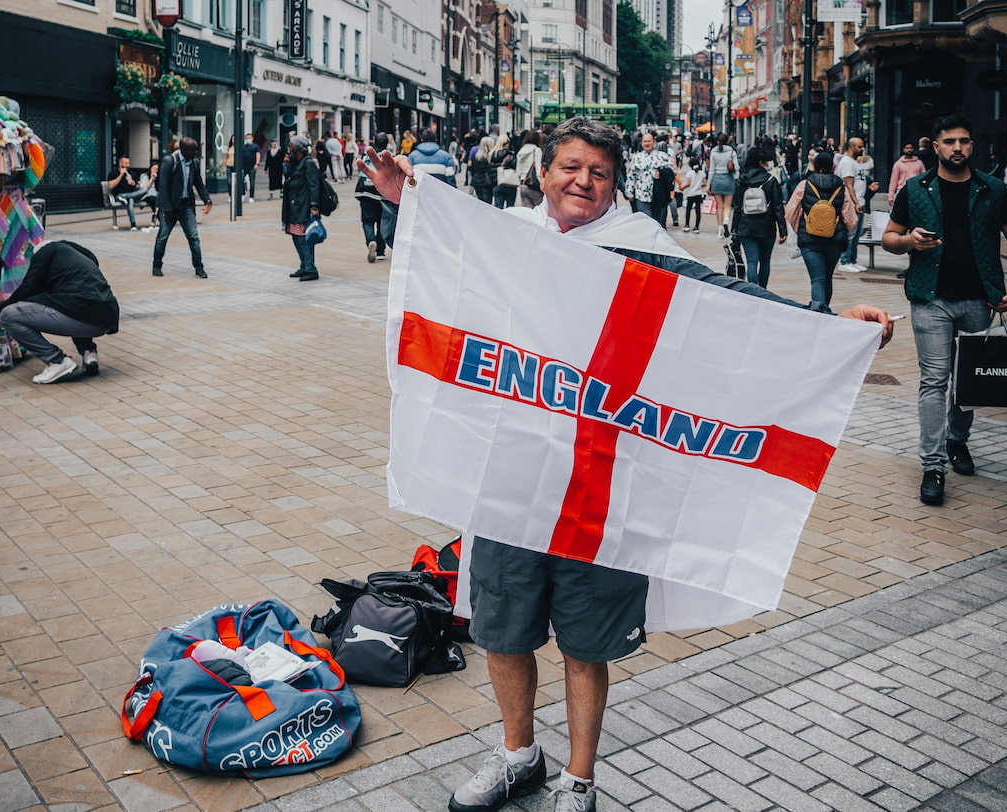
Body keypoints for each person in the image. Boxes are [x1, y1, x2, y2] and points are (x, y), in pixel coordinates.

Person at [359, 116, 891, 812]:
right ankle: (519, 755)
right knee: (502, 631)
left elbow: (729, 305)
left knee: (587, 644)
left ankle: (579, 779)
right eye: (569, 167)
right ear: (542, 173)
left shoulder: (647, 251)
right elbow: (451, 250)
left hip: (603, 489)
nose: (582, 181)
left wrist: (829, 330)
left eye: (599, 172)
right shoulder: (512, 241)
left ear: (615, 184)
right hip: (512, 481)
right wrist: (411, 199)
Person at [881, 114, 1007, 506]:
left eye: (964, 141)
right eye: (949, 141)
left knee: (967, 383)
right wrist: (910, 241)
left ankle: (957, 441)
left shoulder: (992, 189)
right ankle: (933, 466)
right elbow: (888, 239)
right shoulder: (915, 189)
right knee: (935, 380)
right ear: (935, 146)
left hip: (980, 301)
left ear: (972, 146)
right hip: (931, 300)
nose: (958, 148)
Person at [0, 240, 119, 385]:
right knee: (70, 302)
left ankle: (57, 360)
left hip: (82, 315)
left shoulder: (45, 253)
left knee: (9, 316)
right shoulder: (76, 256)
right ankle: (89, 353)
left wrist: (0, 307)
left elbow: (28, 288)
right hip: (106, 317)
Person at [785, 150, 857, 307]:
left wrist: (801, 228)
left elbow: (790, 212)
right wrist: (843, 231)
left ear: (815, 166)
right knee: (827, 278)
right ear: (832, 166)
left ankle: (819, 313)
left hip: (810, 240)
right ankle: (825, 313)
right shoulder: (841, 186)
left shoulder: (805, 184)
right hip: (834, 241)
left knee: (817, 279)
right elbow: (850, 217)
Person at [152, 137, 213, 278]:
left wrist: (207, 199)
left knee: (194, 238)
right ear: (183, 150)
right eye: (193, 150)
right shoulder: (169, 161)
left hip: (186, 206)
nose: (196, 152)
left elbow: (198, 183)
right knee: (162, 237)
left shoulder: (194, 163)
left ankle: (199, 268)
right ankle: (156, 265)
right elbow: (163, 187)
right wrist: (166, 210)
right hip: (170, 206)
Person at [731, 146, 787, 288]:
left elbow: (736, 208)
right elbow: (778, 207)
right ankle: (763, 291)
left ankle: (752, 291)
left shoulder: (741, 181)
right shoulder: (770, 180)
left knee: (751, 261)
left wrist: (734, 230)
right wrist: (782, 230)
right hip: (766, 226)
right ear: (761, 162)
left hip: (745, 226)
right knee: (765, 261)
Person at [283, 134, 322, 282]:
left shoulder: (308, 163)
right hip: (294, 206)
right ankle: (304, 266)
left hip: (303, 206)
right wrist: (286, 164)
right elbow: (287, 177)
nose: (289, 149)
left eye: (291, 146)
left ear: (298, 148)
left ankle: (311, 269)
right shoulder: (295, 162)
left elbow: (314, 185)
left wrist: (314, 206)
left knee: (304, 239)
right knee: (295, 236)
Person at [837, 137, 879, 273]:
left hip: (859, 202)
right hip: (852, 204)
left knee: (856, 235)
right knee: (850, 233)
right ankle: (845, 261)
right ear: (852, 147)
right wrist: (856, 203)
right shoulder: (847, 163)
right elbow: (849, 186)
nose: (862, 149)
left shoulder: (854, 162)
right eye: (860, 147)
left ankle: (852, 260)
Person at [356, 132, 391, 262]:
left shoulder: (366, 155)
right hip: (382, 193)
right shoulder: (389, 157)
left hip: (365, 190)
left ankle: (371, 240)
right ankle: (380, 251)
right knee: (382, 221)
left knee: (367, 220)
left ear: (374, 142)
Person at [623, 131, 671, 220]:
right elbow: (631, 176)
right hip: (641, 195)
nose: (647, 143)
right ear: (642, 143)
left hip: (658, 195)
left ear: (654, 142)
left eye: (649, 141)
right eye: (645, 141)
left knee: (657, 222)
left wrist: (662, 174)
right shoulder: (637, 158)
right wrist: (629, 192)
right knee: (645, 221)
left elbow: (672, 173)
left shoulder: (663, 157)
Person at [707, 136, 739, 238]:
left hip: (717, 179)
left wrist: (708, 185)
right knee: (727, 206)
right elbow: (737, 167)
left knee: (719, 207)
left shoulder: (714, 152)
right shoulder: (731, 152)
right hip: (729, 179)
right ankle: (726, 220)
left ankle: (720, 230)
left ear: (717, 141)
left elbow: (711, 170)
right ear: (728, 141)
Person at [106, 156, 148, 231]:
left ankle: (127, 197)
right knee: (130, 199)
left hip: (130, 195)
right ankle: (133, 224)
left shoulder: (131, 173)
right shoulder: (113, 173)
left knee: (144, 190)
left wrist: (134, 184)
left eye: (128, 163)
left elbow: (137, 187)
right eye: (126, 163)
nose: (128, 165)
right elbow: (111, 186)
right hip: (119, 195)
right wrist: (121, 175)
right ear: (120, 163)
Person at [887, 142, 925, 206]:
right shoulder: (898, 164)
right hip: (902, 191)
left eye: (911, 148)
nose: (909, 150)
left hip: (917, 192)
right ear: (903, 149)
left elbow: (924, 177)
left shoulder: (919, 163)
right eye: (907, 148)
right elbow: (894, 181)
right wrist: (891, 196)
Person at [516, 129, 545, 209]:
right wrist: (542, 185)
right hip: (534, 184)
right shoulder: (537, 150)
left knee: (527, 211)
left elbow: (518, 172)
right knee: (538, 210)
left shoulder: (520, 151)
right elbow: (538, 170)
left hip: (523, 183)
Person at [678, 156, 706, 233]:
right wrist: (699, 185)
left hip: (691, 194)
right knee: (698, 211)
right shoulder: (702, 173)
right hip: (699, 194)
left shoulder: (690, 173)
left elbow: (688, 183)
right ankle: (696, 227)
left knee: (688, 210)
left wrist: (682, 188)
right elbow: (704, 183)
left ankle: (687, 225)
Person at [490, 134, 518, 209]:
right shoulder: (510, 154)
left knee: (498, 208)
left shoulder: (492, 154)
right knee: (510, 208)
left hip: (497, 184)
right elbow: (515, 166)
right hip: (510, 183)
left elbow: (489, 170)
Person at [468, 136, 497, 204]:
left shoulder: (477, 157)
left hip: (476, 181)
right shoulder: (491, 157)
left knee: (480, 201)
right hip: (487, 182)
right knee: (487, 203)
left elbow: (472, 169)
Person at [240, 133, 261, 202]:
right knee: (241, 180)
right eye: (246, 138)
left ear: (252, 138)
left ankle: (251, 196)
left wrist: (257, 164)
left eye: (249, 138)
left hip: (252, 166)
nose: (248, 139)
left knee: (252, 182)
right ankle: (243, 194)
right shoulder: (243, 147)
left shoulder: (255, 146)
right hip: (243, 166)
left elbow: (258, 154)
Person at [224, 135, 236, 199]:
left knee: (236, 181)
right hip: (229, 165)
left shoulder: (238, 148)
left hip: (236, 166)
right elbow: (225, 158)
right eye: (232, 139)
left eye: (234, 139)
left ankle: (237, 194)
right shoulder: (229, 148)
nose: (233, 140)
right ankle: (230, 195)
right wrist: (223, 167)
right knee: (229, 181)